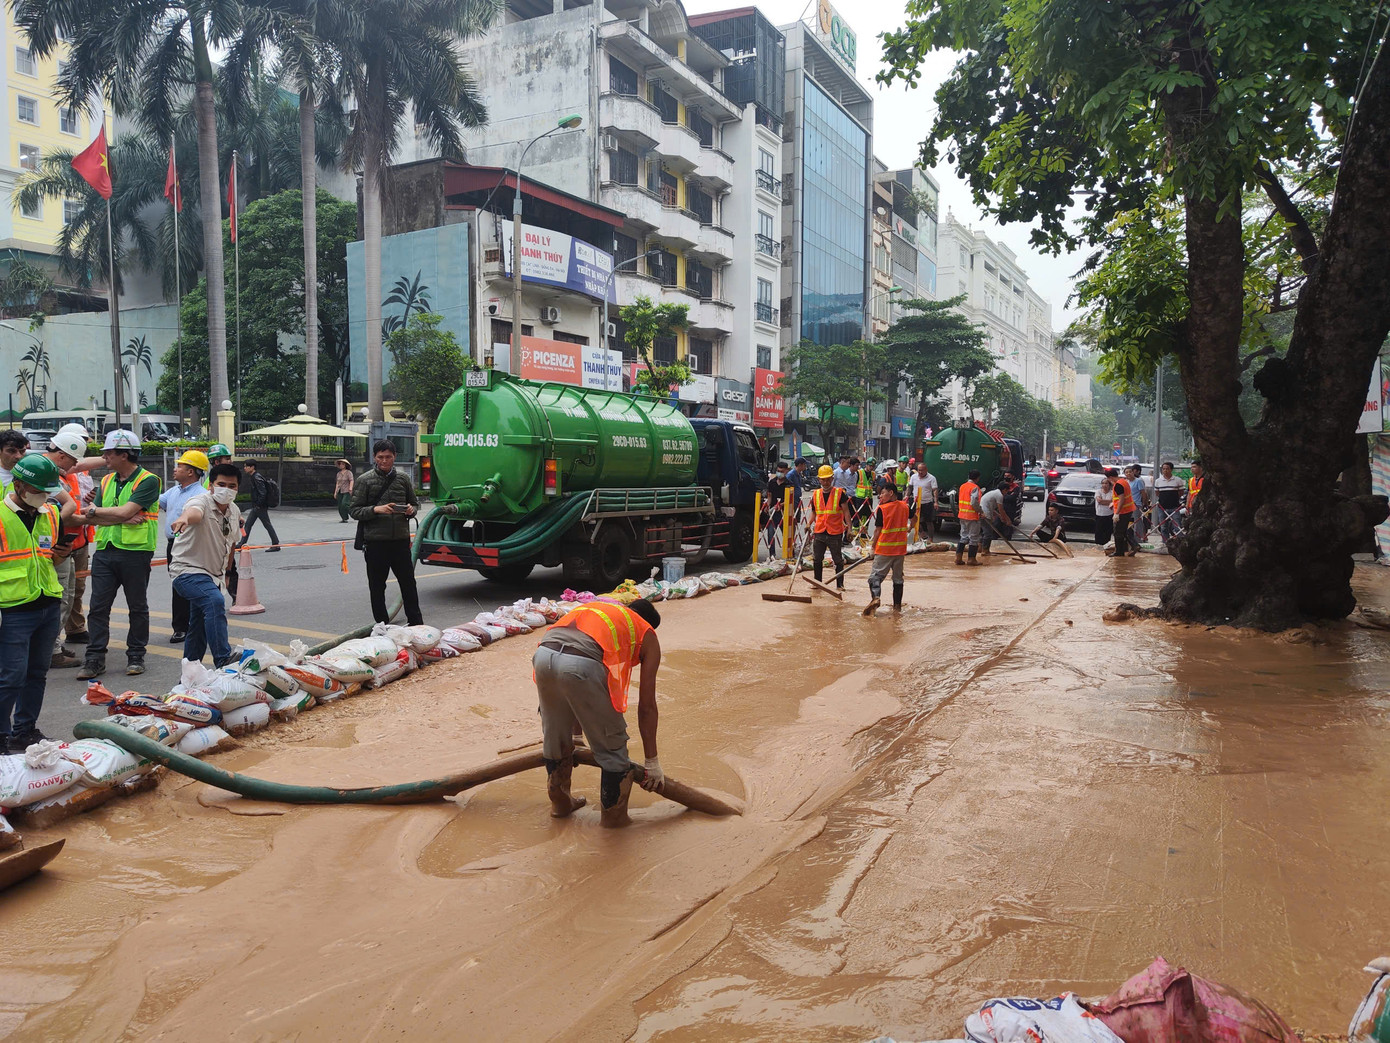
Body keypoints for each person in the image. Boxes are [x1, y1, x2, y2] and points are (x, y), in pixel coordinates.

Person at [530, 599, 664, 827]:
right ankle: (615, 819)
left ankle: (561, 806)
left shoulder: (600, 611)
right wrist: (652, 762)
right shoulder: (646, 632)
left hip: (543, 657)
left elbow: (574, 685)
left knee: (555, 740)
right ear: (648, 622)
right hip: (580, 664)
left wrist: (575, 737)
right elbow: (647, 706)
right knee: (613, 749)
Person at [76, 431, 162, 679]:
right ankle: (94, 659)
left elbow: (120, 512)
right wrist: (104, 514)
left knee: (137, 607)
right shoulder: (106, 480)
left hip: (135, 552)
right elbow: (109, 514)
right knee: (98, 608)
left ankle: (136, 655)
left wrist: (97, 512)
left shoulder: (148, 480)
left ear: (124, 455)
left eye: (108, 453)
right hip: (105, 550)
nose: (104, 457)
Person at [0, 454, 70, 752]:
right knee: (10, 677)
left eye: (47, 491)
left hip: (47, 604)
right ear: (18, 484)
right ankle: (2, 735)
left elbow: (57, 551)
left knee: (36, 674)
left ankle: (24, 731)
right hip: (12, 609)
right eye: (39, 490)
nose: (44, 496)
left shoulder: (50, 513)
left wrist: (61, 554)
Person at [169, 462, 243, 669]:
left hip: (214, 575)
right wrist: (183, 518)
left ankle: (190, 674)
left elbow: (232, 543)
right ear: (210, 485)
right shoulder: (199, 500)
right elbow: (194, 513)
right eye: (221, 484)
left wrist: (227, 573)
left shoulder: (234, 511)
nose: (226, 489)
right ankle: (223, 658)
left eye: (232, 486)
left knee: (199, 626)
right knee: (213, 602)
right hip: (187, 570)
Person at [350, 439, 423, 626]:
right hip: (375, 542)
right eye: (380, 457)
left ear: (394, 457)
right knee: (377, 586)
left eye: (388, 457)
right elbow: (355, 510)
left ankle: (416, 623)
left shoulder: (403, 479)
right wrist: (376, 510)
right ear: (374, 457)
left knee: (408, 583)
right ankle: (382, 626)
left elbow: (415, 503)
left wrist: (410, 510)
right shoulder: (364, 480)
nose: (384, 461)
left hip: (400, 540)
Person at [41, 430, 87, 669]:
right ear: (61, 455)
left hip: (64, 546)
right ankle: (48, 650)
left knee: (66, 598)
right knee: (58, 600)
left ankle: (52, 645)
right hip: (50, 549)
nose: (75, 465)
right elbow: (63, 514)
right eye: (73, 460)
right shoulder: (44, 474)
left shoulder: (54, 474)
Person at [158, 450, 209, 644]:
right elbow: (157, 501)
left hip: (191, 544)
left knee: (191, 583)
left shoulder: (201, 495)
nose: (175, 468)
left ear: (191, 472)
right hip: (174, 544)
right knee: (177, 585)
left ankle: (192, 624)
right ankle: (180, 627)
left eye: (180, 466)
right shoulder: (174, 491)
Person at [863, 482, 910, 616]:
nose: (880, 496)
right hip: (900, 551)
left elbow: (877, 530)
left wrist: (872, 548)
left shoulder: (883, 509)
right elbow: (914, 518)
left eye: (883, 493)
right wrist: (910, 527)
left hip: (884, 550)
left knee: (874, 578)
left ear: (891, 493)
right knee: (898, 579)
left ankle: (876, 599)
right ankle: (897, 608)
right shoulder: (905, 506)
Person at [811, 464, 852, 588]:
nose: (826, 482)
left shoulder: (839, 493)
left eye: (828, 479)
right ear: (819, 480)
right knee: (817, 559)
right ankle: (817, 583)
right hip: (819, 531)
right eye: (823, 479)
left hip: (835, 532)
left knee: (837, 559)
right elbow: (814, 512)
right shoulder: (816, 494)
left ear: (832, 479)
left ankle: (840, 585)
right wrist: (808, 523)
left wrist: (849, 528)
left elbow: (846, 512)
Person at [236, 459, 280, 552]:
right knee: (248, 524)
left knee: (266, 525)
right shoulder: (255, 477)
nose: (244, 468)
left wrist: (258, 504)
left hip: (259, 507)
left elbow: (262, 492)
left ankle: (276, 544)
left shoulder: (256, 477)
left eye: (246, 466)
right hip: (258, 506)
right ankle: (241, 544)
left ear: (252, 467)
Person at [979, 477, 1016, 554]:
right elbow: (1001, 509)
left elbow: (993, 508)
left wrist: (1000, 516)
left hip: (984, 512)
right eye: (1007, 491)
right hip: (985, 514)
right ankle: (985, 550)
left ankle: (980, 548)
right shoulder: (999, 495)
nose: (1006, 493)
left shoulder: (994, 493)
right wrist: (1008, 520)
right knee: (988, 533)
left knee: (986, 532)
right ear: (1004, 490)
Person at [1152, 461, 1185, 544]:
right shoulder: (1158, 481)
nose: (1165, 471)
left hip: (1174, 507)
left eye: (1167, 469)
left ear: (1171, 470)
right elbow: (1157, 493)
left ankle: (1181, 543)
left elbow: (1181, 492)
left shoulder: (1178, 480)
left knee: (1177, 525)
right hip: (1162, 507)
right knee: (1163, 527)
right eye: (1163, 469)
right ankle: (1165, 543)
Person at [955, 469, 983, 566]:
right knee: (973, 538)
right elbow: (974, 502)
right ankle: (971, 559)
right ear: (978, 478)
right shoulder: (975, 487)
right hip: (972, 516)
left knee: (963, 537)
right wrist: (980, 511)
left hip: (962, 515)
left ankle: (958, 558)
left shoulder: (963, 486)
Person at [907, 461, 938, 543]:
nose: (920, 472)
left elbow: (935, 490)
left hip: (927, 502)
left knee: (929, 521)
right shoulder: (914, 477)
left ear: (926, 470)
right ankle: (922, 533)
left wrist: (936, 502)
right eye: (919, 470)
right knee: (914, 519)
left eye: (922, 470)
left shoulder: (931, 478)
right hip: (916, 502)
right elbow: (910, 487)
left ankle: (931, 539)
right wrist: (907, 496)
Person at [1110, 468, 1136, 556]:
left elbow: (1121, 499)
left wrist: (1116, 513)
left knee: (1118, 532)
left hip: (1122, 511)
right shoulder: (1124, 481)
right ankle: (1134, 545)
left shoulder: (1118, 485)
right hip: (1128, 510)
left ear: (1110, 477)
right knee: (1123, 531)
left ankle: (1119, 552)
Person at [1126, 464, 1150, 543]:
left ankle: (1138, 540)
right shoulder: (1126, 482)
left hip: (1136, 504)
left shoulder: (1138, 481)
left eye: (1130, 472)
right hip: (1128, 505)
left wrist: (1144, 503)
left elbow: (1143, 493)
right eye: (1126, 472)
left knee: (1137, 521)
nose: (1128, 474)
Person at [1094, 474, 1115, 548]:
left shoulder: (1112, 492)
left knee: (1107, 532)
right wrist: (1108, 502)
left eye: (1106, 483)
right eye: (1103, 483)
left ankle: (1106, 546)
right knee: (1099, 532)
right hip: (1100, 514)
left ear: (1109, 484)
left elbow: (1113, 502)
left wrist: (1107, 502)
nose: (1104, 485)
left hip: (1109, 515)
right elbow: (1099, 501)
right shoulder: (1098, 491)